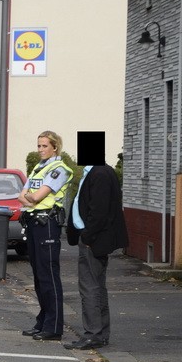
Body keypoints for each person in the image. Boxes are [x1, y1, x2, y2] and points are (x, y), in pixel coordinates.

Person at [64, 131, 128, 350]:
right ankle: (100, 333)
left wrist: (87, 237)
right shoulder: (100, 171)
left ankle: (93, 333)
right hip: (96, 238)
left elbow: (99, 211)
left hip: (94, 240)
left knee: (89, 287)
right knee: (98, 287)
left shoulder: (98, 174)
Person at [18, 131, 74, 341]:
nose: (40, 150)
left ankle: (54, 326)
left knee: (49, 275)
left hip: (47, 223)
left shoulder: (59, 169)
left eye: (44, 146)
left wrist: (31, 198)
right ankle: (42, 321)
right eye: (39, 146)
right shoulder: (38, 168)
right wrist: (30, 198)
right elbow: (21, 195)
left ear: (55, 148)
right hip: (33, 223)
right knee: (39, 276)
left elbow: (37, 196)